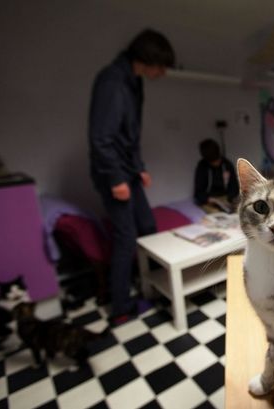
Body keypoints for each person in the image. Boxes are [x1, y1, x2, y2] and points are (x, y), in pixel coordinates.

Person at [88, 29, 175, 325]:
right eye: (161, 66)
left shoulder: (134, 82)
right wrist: (116, 179)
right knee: (125, 237)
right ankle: (120, 308)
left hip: (127, 169)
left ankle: (151, 284)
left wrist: (139, 168)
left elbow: (130, 135)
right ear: (147, 59)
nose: (162, 73)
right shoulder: (112, 81)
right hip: (111, 172)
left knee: (148, 225)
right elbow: (101, 138)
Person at [194, 139, 239, 213]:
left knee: (237, 210)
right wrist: (208, 199)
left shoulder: (227, 164)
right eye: (213, 161)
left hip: (225, 197)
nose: (216, 163)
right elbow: (198, 192)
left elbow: (234, 186)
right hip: (209, 199)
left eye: (217, 160)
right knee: (215, 213)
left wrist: (230, 198)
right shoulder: (202, 167)